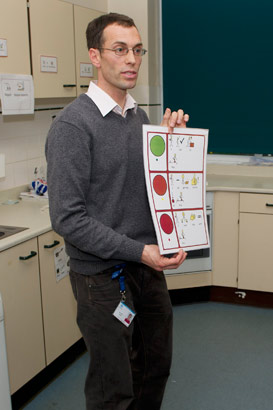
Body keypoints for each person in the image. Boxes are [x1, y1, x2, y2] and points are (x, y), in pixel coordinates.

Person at [45, 12, 189, 410]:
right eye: (120, 49)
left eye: (137, 50)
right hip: (101, 279)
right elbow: (68, 219)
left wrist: (166, 142)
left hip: (145, 270)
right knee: (114, 387)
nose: (131, 60)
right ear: (95, 55)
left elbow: (145, 189)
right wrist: (140, 251)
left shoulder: (138, 118)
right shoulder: (73, 126)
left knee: (155, 366)